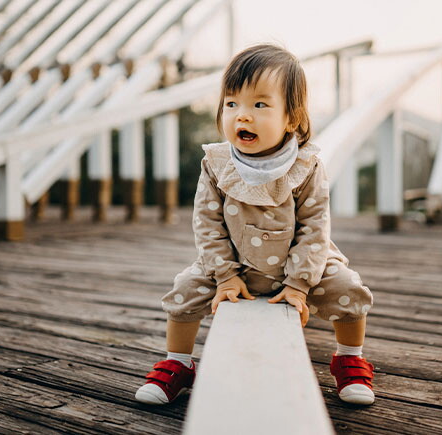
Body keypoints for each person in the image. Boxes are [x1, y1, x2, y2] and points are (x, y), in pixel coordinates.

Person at [135, 44, 375, 406]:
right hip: (234, 265)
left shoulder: (306, 166)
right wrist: (225, 275)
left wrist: (298, 283)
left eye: (260, 105)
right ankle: (178, 363)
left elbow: (314, 229)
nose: (241, 116)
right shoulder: (217, 164)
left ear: (291, 119)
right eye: (232, 104)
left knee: (349, 289)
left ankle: (349, 357)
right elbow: (208, 224)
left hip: (302, 266)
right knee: (184, 290)